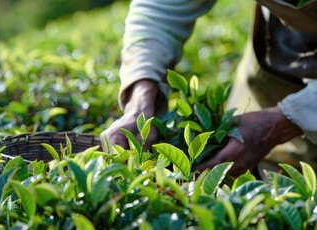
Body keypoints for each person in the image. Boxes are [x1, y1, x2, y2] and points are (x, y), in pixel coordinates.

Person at [101, 0, 317, 175]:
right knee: (238, 162)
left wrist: (288, 119)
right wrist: (141, 93)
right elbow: (160, 7)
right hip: (280, 48)